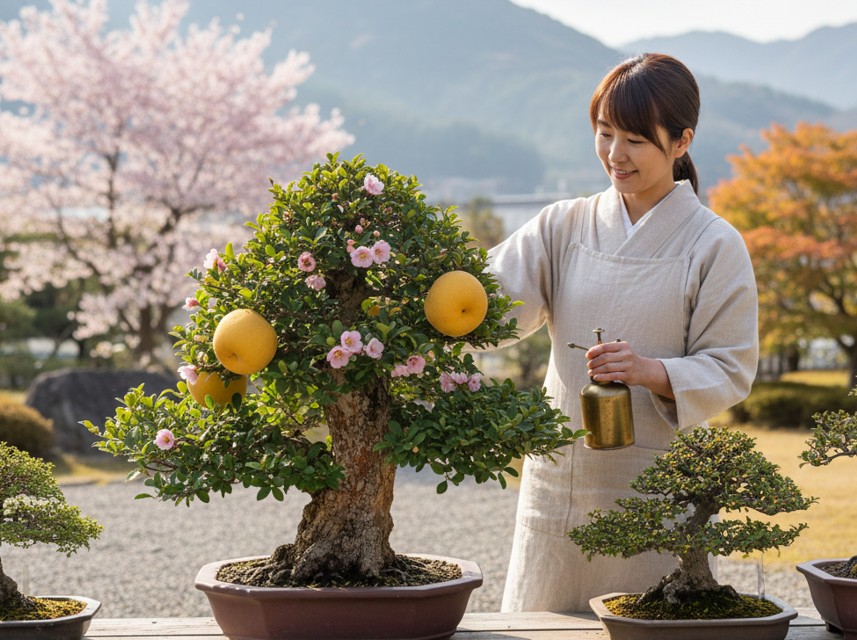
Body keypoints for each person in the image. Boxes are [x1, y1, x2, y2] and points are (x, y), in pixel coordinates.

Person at [487, 52, 759, 612]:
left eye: (635, 139)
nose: (615, 154)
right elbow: (482, 303)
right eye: (605, 132)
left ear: (681, 142)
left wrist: (650, 372)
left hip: (657, 486)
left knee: (650, 618)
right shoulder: (563, 224)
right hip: (560, 479)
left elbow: (731, 366)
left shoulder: (714, 244)